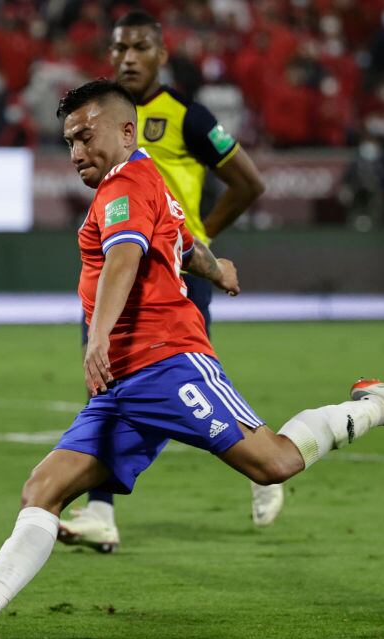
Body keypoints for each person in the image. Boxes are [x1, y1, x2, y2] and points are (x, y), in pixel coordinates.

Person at [0, 80, 384, 639]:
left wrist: (97, 336)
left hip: (168, 365)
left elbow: (126, 255)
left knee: (272, 463)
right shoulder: (147, 179)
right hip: (123, 388)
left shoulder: (124, 187)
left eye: (86, 136)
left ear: (126, 130)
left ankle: (380, 403)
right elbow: (180, 242)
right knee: (43, 490)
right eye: (69, 141)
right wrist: (217, 268)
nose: (76, 151)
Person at [60, 10, 270, 553]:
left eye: (140, 47)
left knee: (180, 374)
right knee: (104, 381)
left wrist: (200, 236)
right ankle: (101, 513)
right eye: (119, 47)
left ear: (162, 54)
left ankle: (258, 458)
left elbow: (248, 183)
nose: (128, 57)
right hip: (122, 255)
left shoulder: (188, 116)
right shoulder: (100, 117)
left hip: (174, 265)